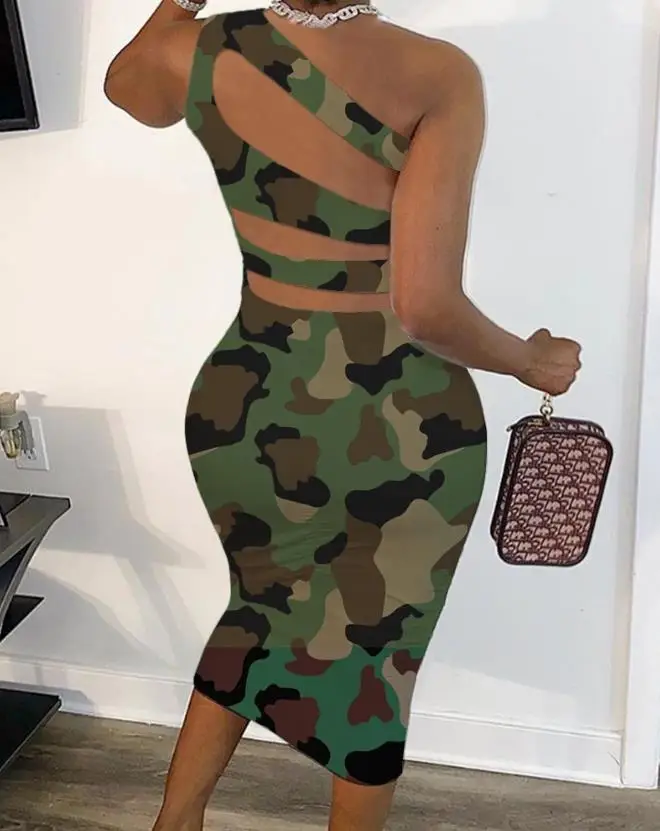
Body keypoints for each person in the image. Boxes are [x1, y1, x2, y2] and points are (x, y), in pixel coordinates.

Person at [104, 1, 582, 829]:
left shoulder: (202, 48)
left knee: (256, 613)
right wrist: (529, 360)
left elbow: (128, 90)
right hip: (392, 419)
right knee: (374, 666)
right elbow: (424, 306)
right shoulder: (439, 75)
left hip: (243, 401)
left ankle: (172, 822)